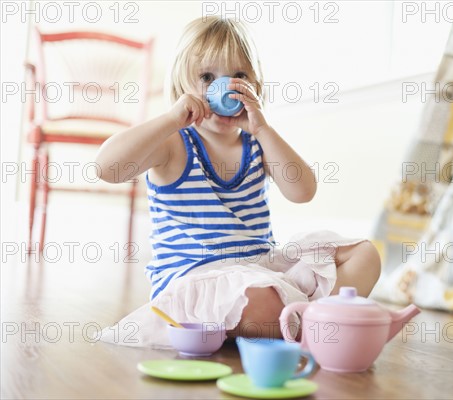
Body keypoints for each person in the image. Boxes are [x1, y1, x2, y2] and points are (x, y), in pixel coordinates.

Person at [95, 16, 380, 345]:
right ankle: (313, 321)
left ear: (255, 84)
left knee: (364, 254)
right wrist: (171, 119)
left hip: (262, 268)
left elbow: (303, 191)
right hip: (200, 280)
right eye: (207, 77)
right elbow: (107, 168)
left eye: (239, 76)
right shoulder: (174, 143)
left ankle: (305, 320)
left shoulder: (258, 142)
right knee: (260, 301)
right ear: (182, 86)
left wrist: (263, 130)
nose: (225, 87)